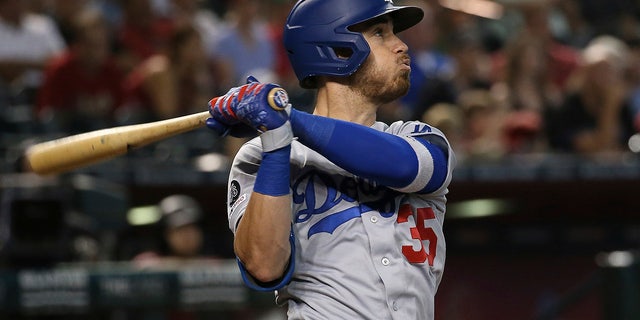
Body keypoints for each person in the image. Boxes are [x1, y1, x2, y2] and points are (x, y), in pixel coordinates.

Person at [205, 0, 456, 319]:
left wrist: (286, 117)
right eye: (380, 33)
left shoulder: (418, 136)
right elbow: (264, 266)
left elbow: (405, 166)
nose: (401, 45)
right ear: (337, 51)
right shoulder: (259, 156)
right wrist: (277, 139)